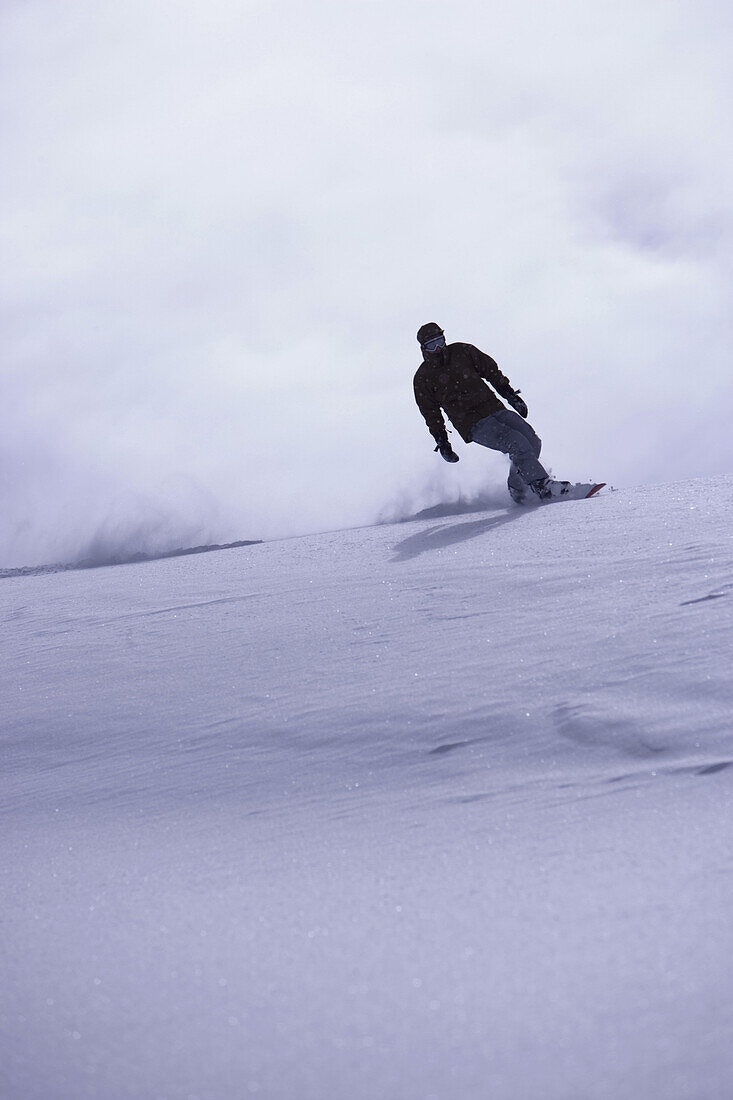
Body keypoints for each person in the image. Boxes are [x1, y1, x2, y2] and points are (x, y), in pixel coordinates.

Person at [413, 322, 575, 504]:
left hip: (494, 408)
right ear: (424, 349)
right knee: (516, 442)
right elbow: (431, 414)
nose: (439, 349)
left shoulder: (462, 351)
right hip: (472, 423)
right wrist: (443, 442)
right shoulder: (423, 378)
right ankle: (542, 486)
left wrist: (510, 395)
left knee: (532, 441)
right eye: (432, 346)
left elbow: (490, 369)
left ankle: (517, 487)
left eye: (440, 341)